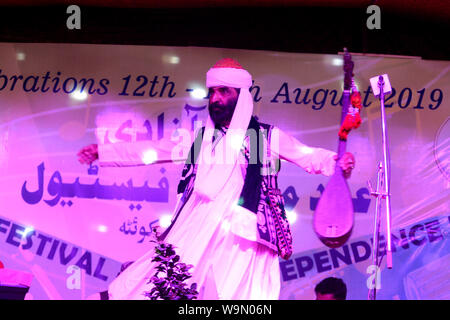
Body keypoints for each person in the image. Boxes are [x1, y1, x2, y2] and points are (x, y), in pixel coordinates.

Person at [78, 58, 355, 300]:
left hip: (244, 238)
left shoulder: (266, 137)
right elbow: (151, 151)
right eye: (212, 92)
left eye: (224, 91)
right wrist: (104, 151)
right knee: (157, 284)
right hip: (196, 232)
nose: (216, 99)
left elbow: (308, 155)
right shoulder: (200, 141)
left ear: (241, 96)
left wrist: (337, 163)